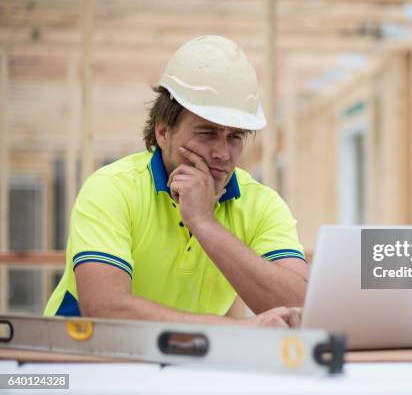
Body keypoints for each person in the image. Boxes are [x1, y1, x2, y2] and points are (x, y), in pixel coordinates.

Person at [43, 36, 308, 328]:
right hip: (81, 359)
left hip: (184, 357)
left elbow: (302, 305)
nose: (222, 153)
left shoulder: (262, 204)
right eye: (207, 133)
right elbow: (104, 307)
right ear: (163, 132)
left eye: (235, 137)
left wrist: (204, 223)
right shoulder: (111, 188)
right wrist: (238, 329)